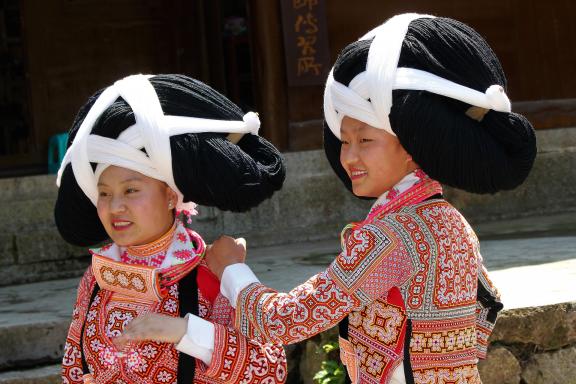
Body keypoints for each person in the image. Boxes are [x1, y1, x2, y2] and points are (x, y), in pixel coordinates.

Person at [122, 13, 537, 383]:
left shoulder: (391, 236)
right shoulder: (450, 221)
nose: (349, 156)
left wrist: (232, 271)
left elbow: (285, 320)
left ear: (410, 145)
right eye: (345, 140)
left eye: (366, 140)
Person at [56, 74, 288, 383]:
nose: (115, 207)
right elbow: (74, 368)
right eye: (105, 193)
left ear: (169, 195)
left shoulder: (209, 273)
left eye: (131, 190)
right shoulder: (96, 279)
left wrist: (184, 330)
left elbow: (270, 368)